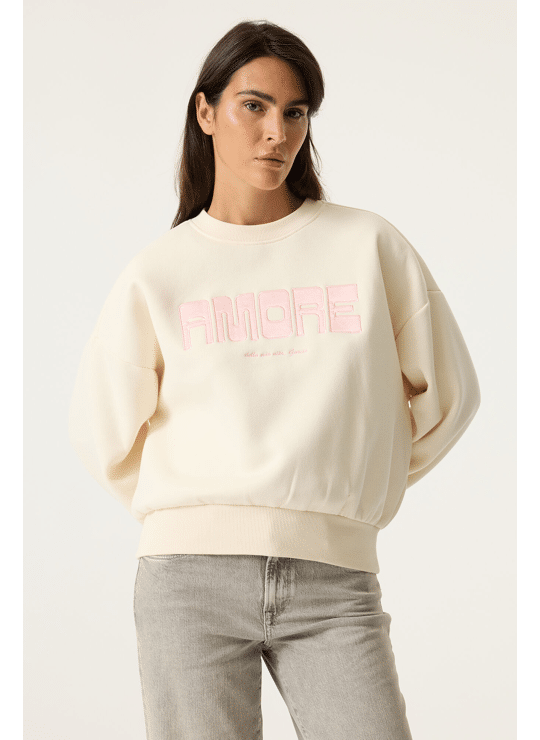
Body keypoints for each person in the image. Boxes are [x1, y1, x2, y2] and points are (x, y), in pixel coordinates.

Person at [68, 19, 481, 740]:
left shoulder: (367, 246)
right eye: (253, 106)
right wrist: (198, 508)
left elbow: (452, 397)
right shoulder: (160, 272)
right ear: (205, 112)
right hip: (187, 585)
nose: (276, 133)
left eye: (295, 112)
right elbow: (102, 433)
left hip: (335, 583)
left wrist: (350, 481)